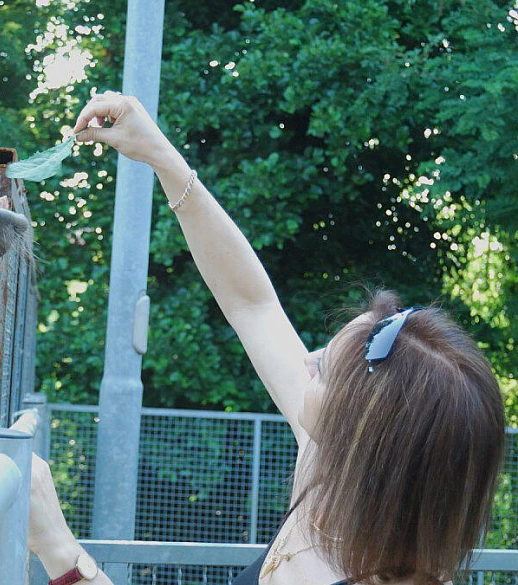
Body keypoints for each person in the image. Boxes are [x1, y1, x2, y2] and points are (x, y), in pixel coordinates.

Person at [26, 92, 506, 585]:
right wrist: (159, 155)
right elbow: (251, 305)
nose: (307, 361)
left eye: (323, 370)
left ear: (362, 434)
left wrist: (60, 550)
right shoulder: (332, 474)